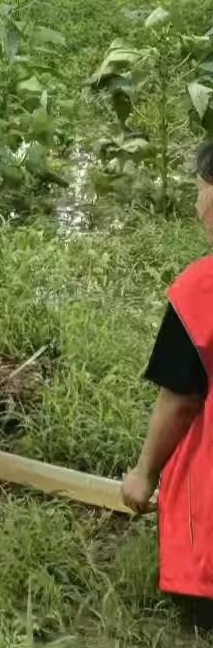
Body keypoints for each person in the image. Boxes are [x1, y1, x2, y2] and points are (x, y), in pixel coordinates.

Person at [121, 143, 213, 606]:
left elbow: (180, 402)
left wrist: (143, 476)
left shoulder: (202, 290)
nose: (198, 206)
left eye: (200, 191)